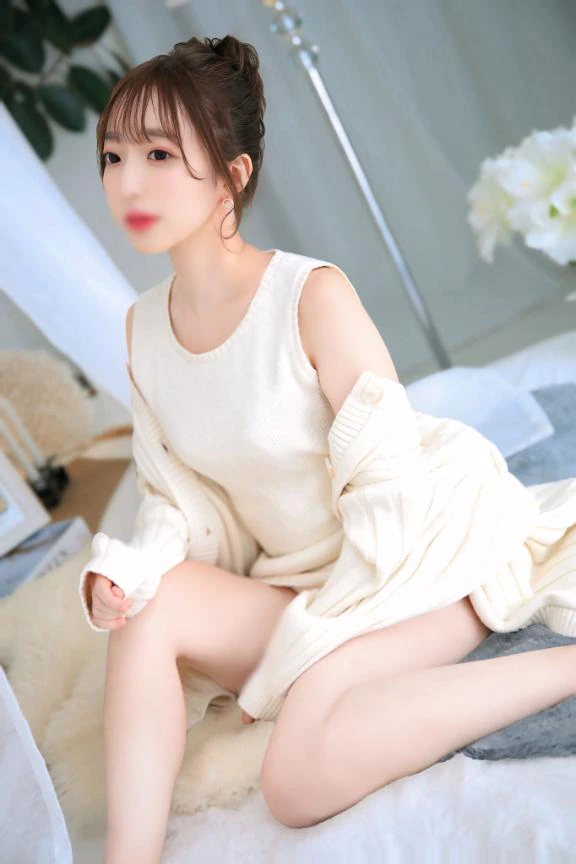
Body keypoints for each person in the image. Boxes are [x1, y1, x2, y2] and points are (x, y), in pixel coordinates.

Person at [82, 34, 576, 864]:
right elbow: (178, 496)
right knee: (149, 609)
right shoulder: (143, 330)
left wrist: (302, 651)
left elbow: (394, 500)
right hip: (305, 578)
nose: (128, 182)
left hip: (420, 560)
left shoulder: (311, 296)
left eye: (159, 154)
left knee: (297, 780)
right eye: (113, 156)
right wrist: (131, 572)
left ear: (232, 173)